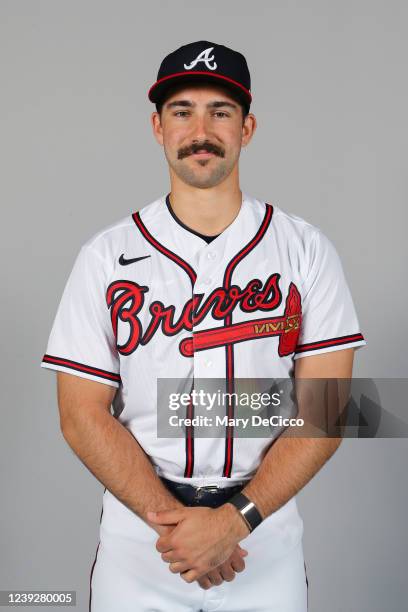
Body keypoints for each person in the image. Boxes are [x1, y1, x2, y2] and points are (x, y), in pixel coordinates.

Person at [41, 41, 367, 611]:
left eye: (220, 111)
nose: (201, 128)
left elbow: (327, 409)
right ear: (157, 127)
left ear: (248, 127)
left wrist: (235, 522)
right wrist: (176, 528)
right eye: (182, 110)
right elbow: (79, 413)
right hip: (141, 538)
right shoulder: (105, 255)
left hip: (261, 532)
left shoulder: (305, 250)